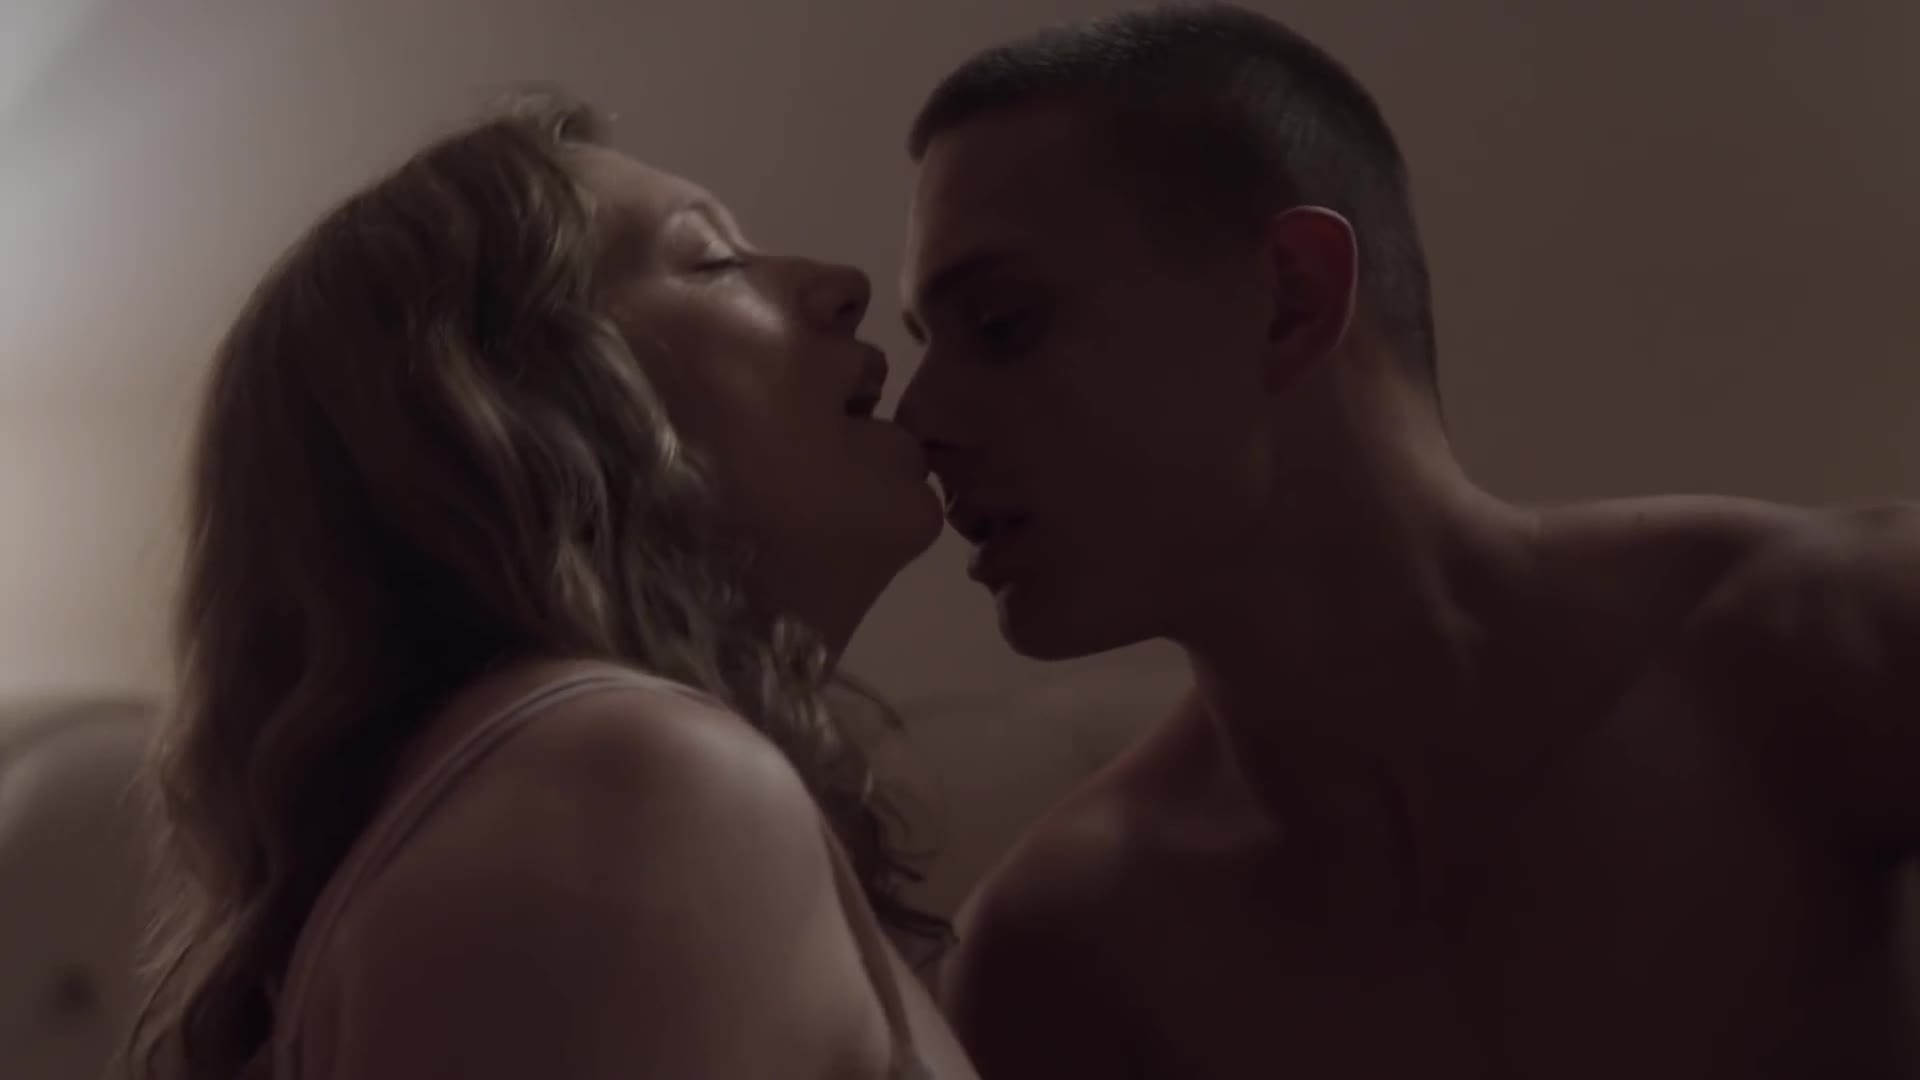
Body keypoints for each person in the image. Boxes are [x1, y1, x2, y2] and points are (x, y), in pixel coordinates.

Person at [895, 4, 1920, 1077]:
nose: (919, 421)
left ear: (1289, 298)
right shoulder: (1060, 952)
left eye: (1002, 325)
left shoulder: (1815, 645)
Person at [123, 91, 978, 1080]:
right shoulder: (631, 788)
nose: (843, 285)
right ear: (511, 421)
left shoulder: (569, 791)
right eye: (712, 260)